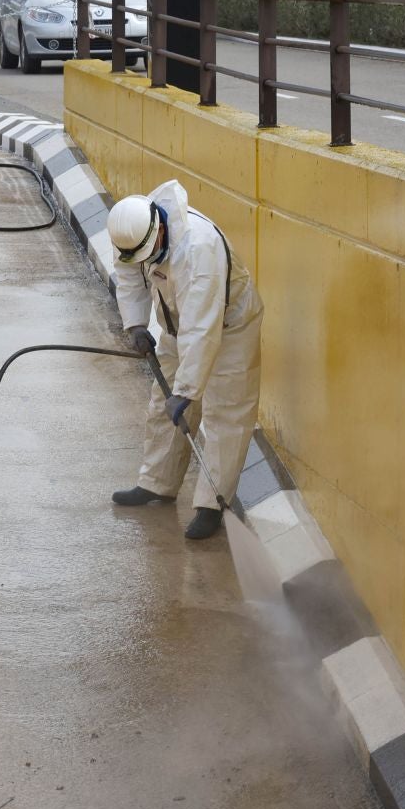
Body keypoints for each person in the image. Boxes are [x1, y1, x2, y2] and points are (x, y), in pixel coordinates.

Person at [107, 179, 264, 541]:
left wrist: (189, 390)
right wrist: (134, 324)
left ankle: (211, 504)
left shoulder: (199, 250)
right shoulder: (130, 228)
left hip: (228, 326)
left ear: (159, 230)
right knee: (163, 402)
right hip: (178, 324)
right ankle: (157, 483)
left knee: (225, 412)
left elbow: (203, 329)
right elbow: (129, 275)